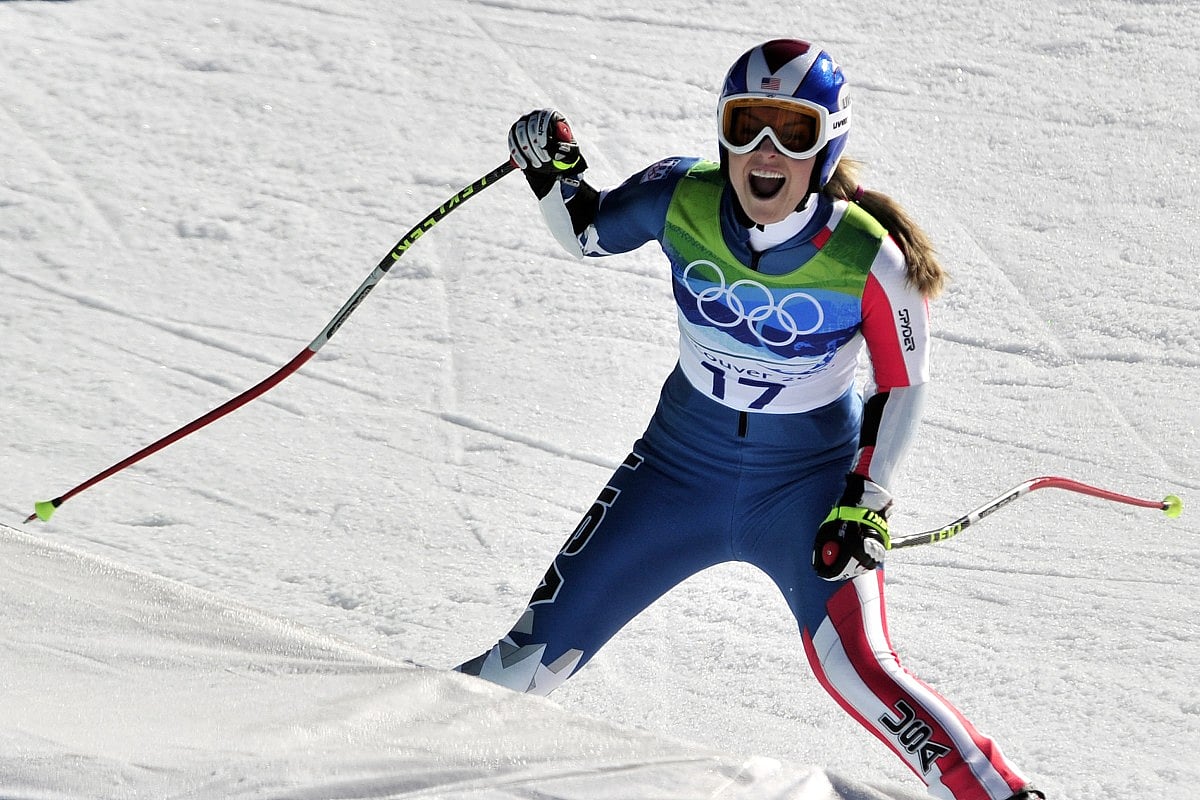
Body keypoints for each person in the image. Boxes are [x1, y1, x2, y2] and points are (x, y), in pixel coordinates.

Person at [456, 39, 1045, 800]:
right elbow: (587, 231)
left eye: (793, 132)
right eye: (746, 126)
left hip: (803, 493)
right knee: (521, 665)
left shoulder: (871, 259)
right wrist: (549, 171)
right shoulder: (680, 199)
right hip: (673, 476)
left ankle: (1000, 794)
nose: (765, 153)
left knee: (860, 669)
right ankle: (350, 755)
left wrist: (864, 501)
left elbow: (901, 386)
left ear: (828, 145)